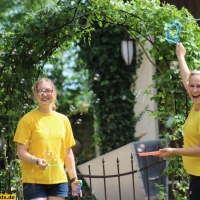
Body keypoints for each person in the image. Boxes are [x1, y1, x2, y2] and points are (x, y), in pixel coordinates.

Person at [13, 77, 82, 200]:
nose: (44, 94)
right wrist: (37, 161)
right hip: (33, 180)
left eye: (48, 90)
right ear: (35, 94)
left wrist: (74, 179)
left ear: (54, 93)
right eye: (40, 91)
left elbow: (68, 153)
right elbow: (21, 152)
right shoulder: (27, 120)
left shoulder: (63, 120)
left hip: (58, 180)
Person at [159, 43, 200, 200]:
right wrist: (180, 56)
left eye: (199, 87)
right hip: (196, 175)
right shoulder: (196, 104)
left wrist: (174, 151)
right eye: (192, 86)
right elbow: (187, 79)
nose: (194, 90)